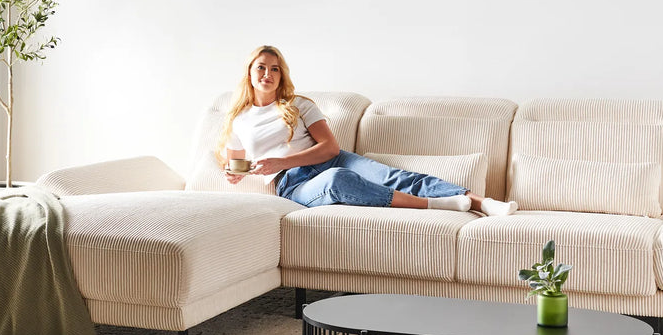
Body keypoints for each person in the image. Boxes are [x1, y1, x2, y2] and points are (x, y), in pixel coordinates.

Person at [217, 45, 517, 215]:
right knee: (338, 181)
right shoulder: (239, 119)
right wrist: (233, 174)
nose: (267, 74)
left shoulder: (299, 105)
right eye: (261, 67)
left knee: (395, 176)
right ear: (249, 72)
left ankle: (482, 202)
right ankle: (436, 204)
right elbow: (236, 166)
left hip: (330, 160)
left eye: (274, 68)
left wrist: (283, 160)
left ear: (282, 75)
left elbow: (330, 148)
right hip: (291, 185)